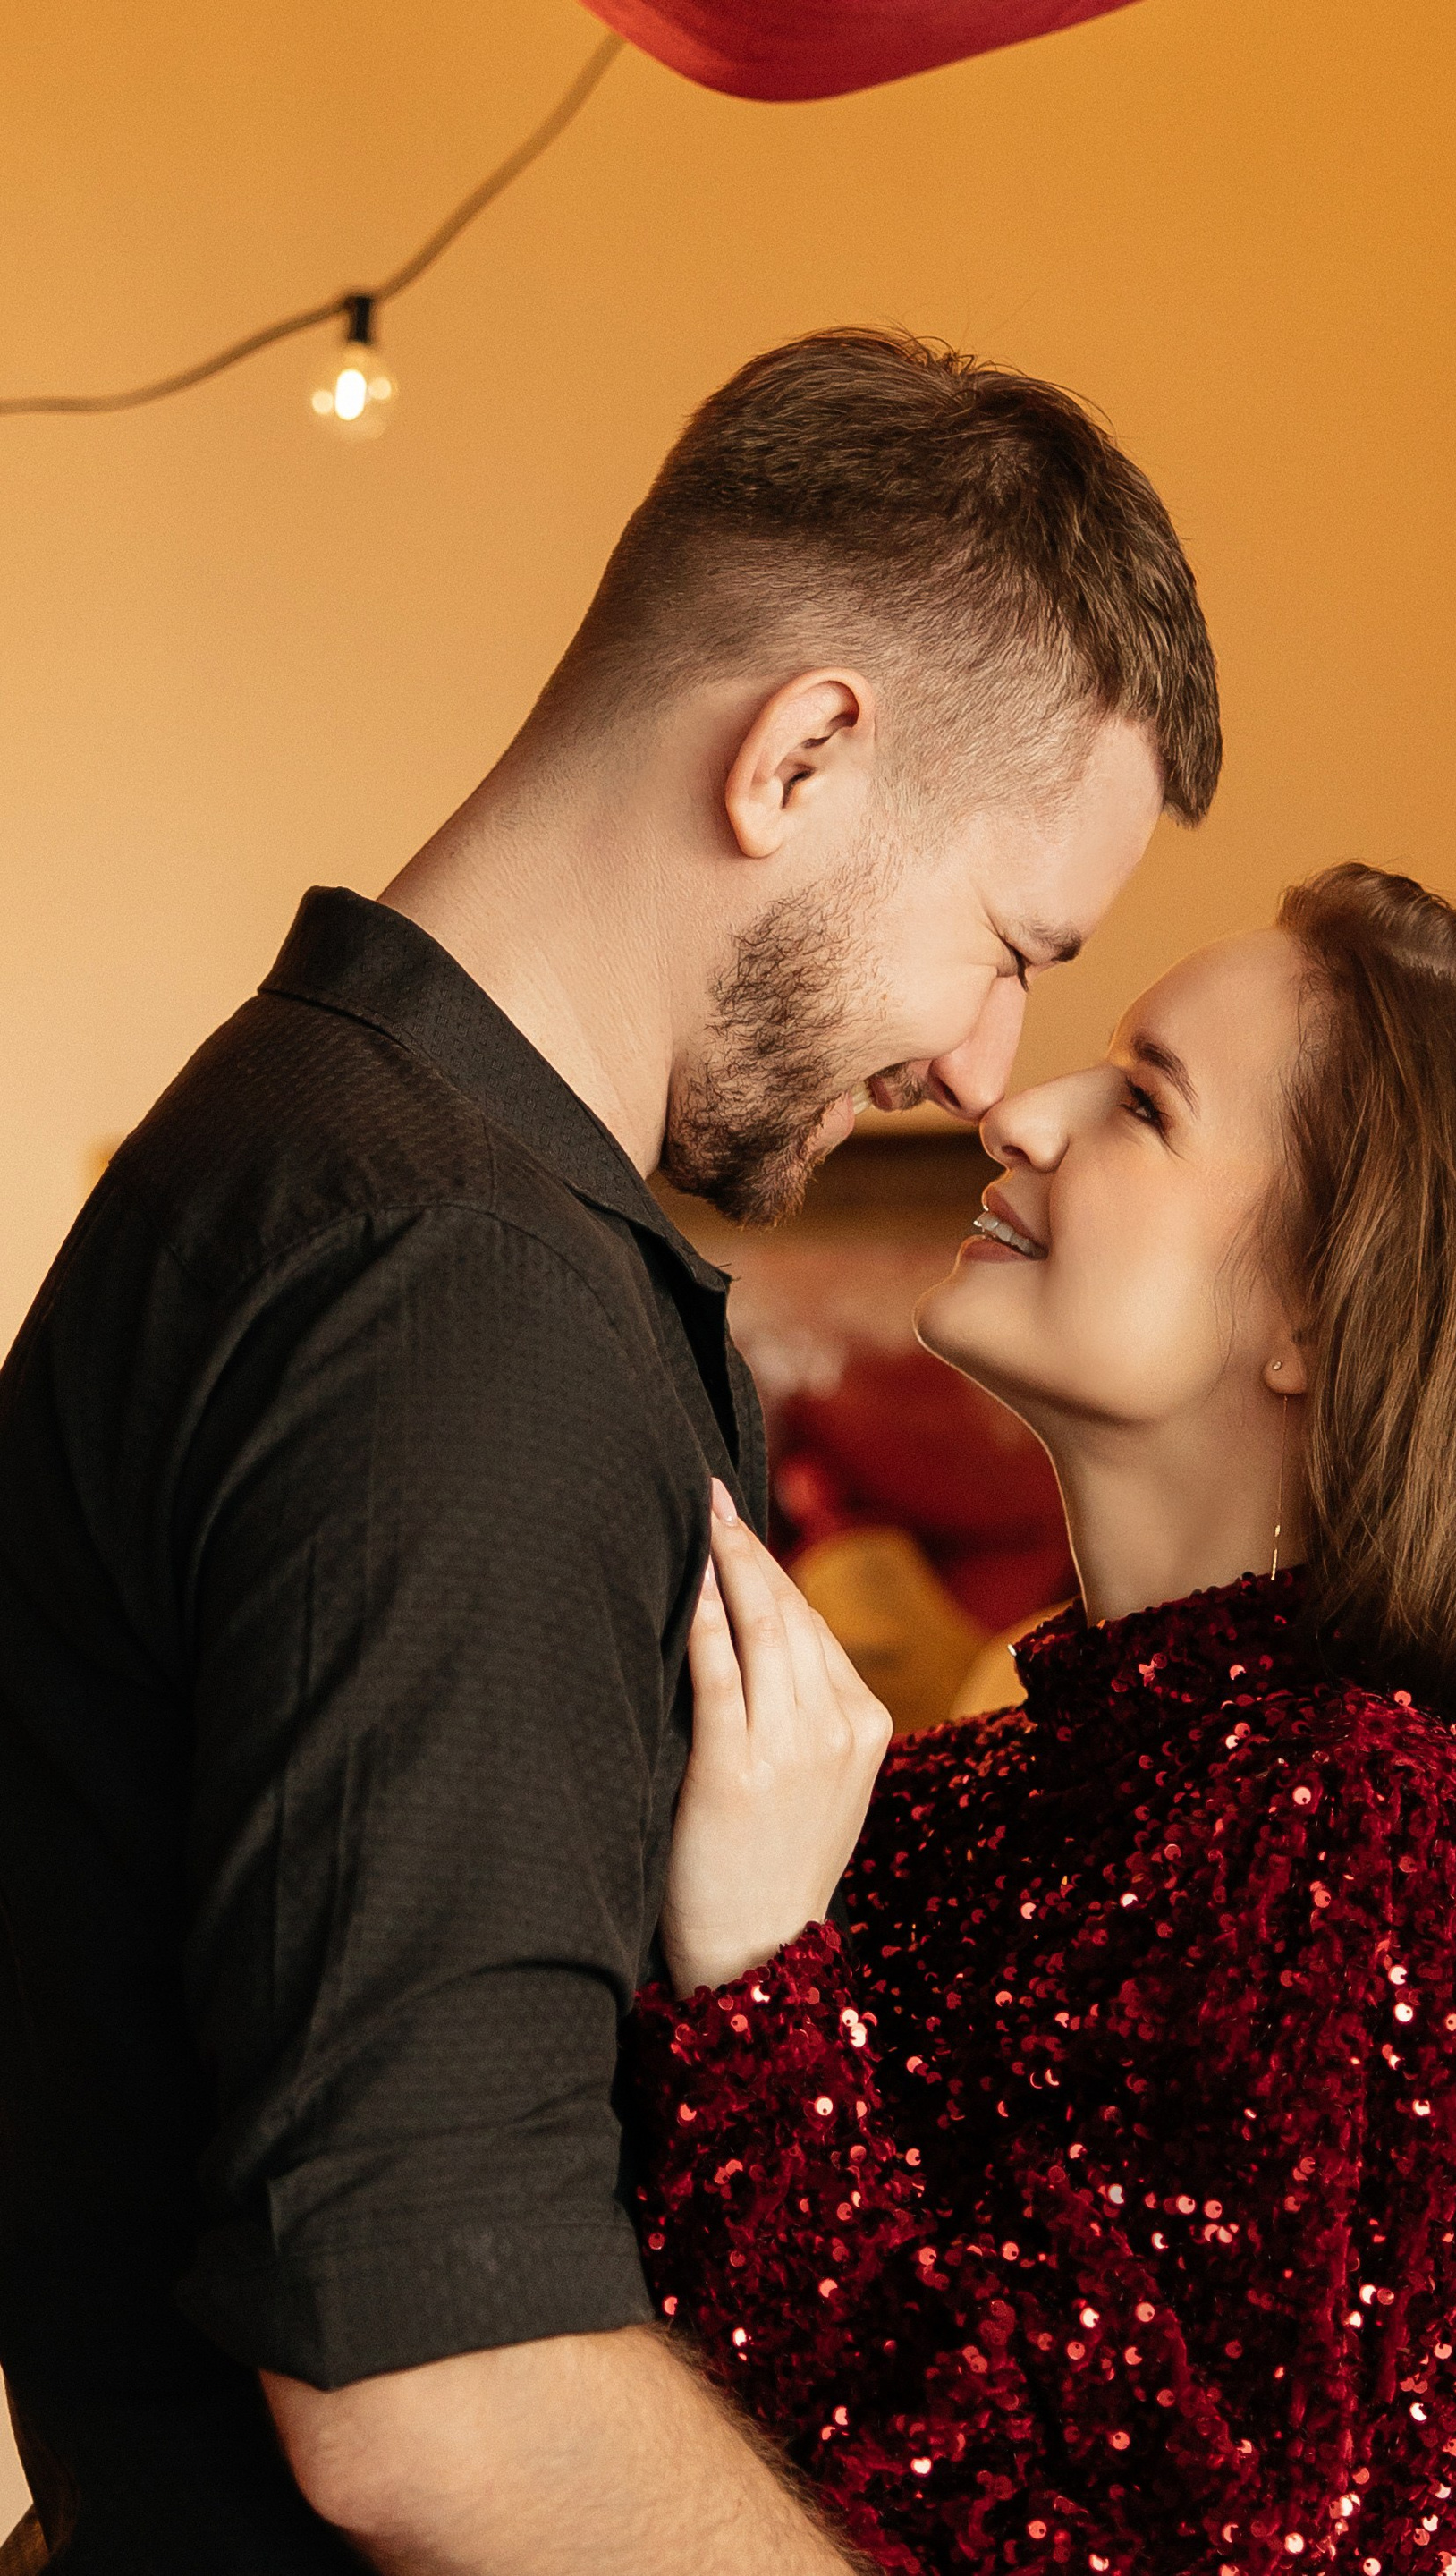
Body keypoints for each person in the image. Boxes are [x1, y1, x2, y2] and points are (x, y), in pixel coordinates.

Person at [0, 331, 1219, 2572]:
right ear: (800, 756)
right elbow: (429, 2381)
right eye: (1006, 946)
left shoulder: (323, 1158)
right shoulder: (455, 1291)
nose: (983, 1064)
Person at [630, 865, 1456, 2576]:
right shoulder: (991, 1792)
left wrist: (760, 1989)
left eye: (1145, 1102)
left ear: (1321, 1315)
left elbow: (1132, 2535)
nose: (1019, 1113)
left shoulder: (1388, 1830)